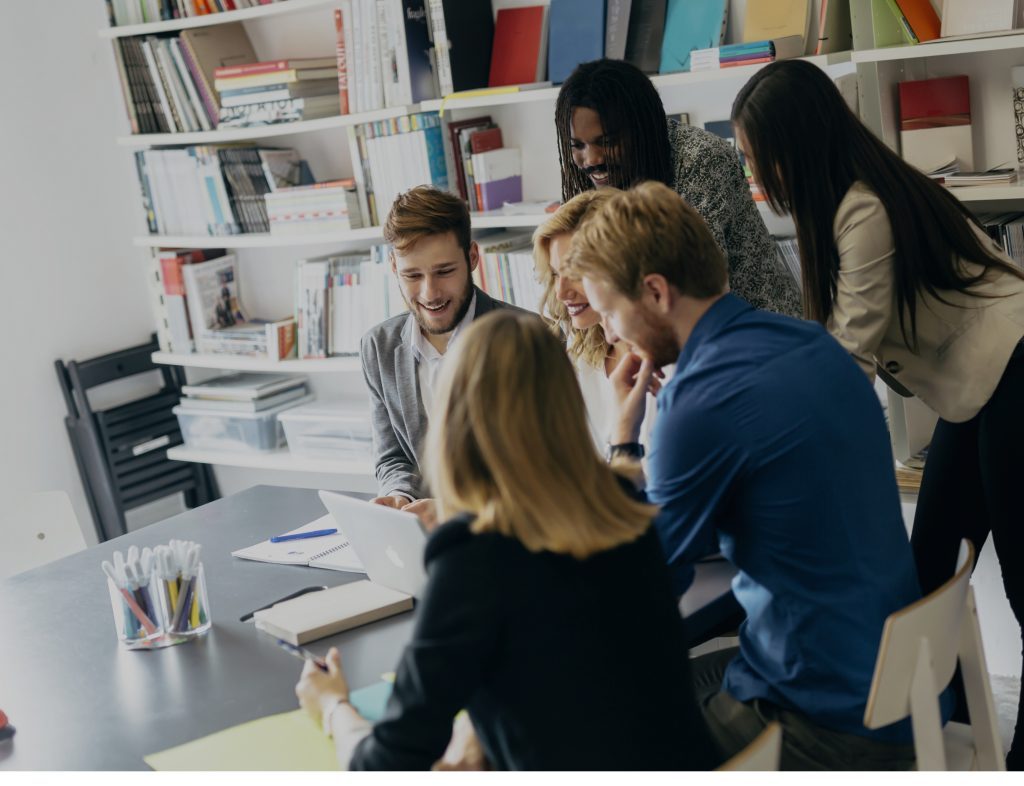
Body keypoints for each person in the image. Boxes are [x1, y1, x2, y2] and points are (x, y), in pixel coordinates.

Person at [568, 181, 932, 770]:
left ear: (656, 292)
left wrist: (623, 438)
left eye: (609, 312)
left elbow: (640, 585)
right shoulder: (813, 343)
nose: (608, 334)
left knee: (591, 722)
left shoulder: (698, 400)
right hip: (896, 687)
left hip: (823, 722)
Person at [732, 60, 1024, 770]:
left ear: (790, 144)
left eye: (751, 155)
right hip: (978, 388)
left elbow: (844, 361)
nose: (751, 174)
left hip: (1014, 373)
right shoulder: (843, 204)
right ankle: (937, 728)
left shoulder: (863, 210)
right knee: (926, 569)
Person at [295, 311, 722, 771]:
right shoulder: (626, 514)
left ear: (455, 422)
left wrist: (334, 708)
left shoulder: (475, 560)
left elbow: (380, 768)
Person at [554, 57, 801, 318]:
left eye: (607, 141)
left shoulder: (703, 159)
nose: (592, 159)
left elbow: (693, 289)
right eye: (577, 146)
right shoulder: (594, 177)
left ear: (640, 129)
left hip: (750, 331)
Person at [361, 186, 526, 526]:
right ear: (393, 266)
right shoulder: (378, 347)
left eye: (444, 271)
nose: (429, 293)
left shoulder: (530, 338)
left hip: (509, 536)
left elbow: (544, 469)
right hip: (423, 535)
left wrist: (455, 511)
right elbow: (393, 457)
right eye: (412, 275)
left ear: (473, 258)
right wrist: (398, 496)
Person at [533, 189, 661, 450]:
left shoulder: (671, 364)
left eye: (576, 273)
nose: (561, 292)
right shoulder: (579, 359)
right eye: (557, 274)